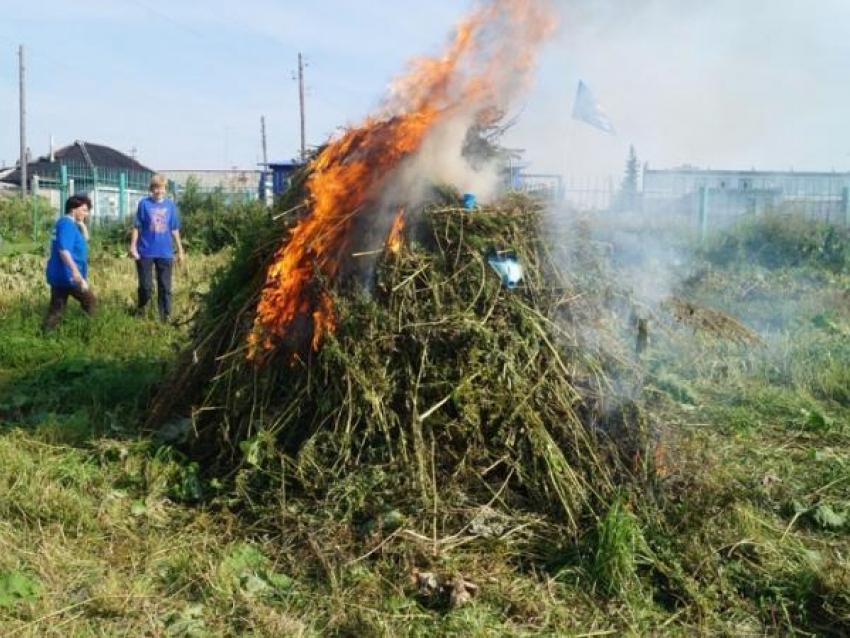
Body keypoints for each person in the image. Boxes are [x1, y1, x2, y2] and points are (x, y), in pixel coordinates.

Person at [129, 174, 185, 323]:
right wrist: (133, 246)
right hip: (145, 251)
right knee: (145, 286)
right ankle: (142, 310)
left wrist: (180, 250)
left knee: (165, 287)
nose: (159, 191)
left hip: (165, 253)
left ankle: (165, 317)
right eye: (156, 187)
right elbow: (137, 226)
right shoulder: (144, 204)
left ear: (165, 189)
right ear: (151, 189)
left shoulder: (170, 206)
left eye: (162, 188)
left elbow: (174, 229)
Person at [44, 194, 96, 330]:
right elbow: (63, 251)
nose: (86, 213)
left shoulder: (67, 223)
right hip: (68, 275)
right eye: (84, 210)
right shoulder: (67, 225)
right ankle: (89, 331)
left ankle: (46, 335)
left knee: (57, 309)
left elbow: (86, 239)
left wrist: (81, 224)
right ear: (74, 209)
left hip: (60, 274)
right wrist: (76, 273)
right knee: (90, 301)